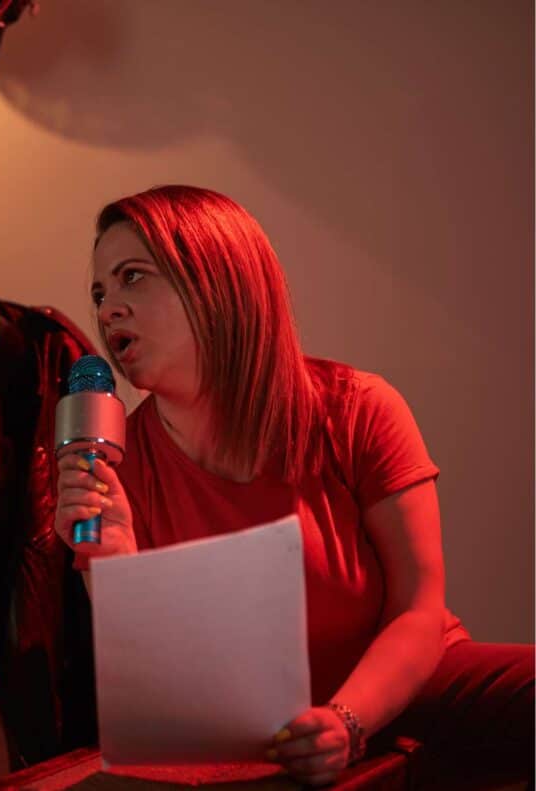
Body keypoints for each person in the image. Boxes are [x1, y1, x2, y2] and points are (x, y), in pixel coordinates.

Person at [54, 185, 534, 789]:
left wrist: (347, 722)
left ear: (217, 282)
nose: (106, 310)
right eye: (100, 292)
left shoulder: (360, 408)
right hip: (255, 731)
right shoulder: (118, 462)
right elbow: (163, 691)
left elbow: (418, 609)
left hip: (406, 684)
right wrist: (110, 557)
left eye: (131, 277)